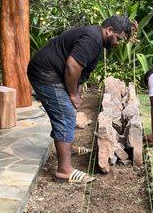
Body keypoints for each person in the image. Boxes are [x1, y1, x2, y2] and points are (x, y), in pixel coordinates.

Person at [27, 16, 138, 183]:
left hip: (54, 72)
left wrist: (77, 95)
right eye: (118, 38)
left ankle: (68, 147)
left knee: (69, 110)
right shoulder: (92, 39)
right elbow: (72, 66)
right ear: (108, 30)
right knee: (65, 115)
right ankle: (64, 171)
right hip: (45, 72)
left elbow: (82, 71)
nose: (118, 43)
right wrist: (72, 95)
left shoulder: (97, 41)